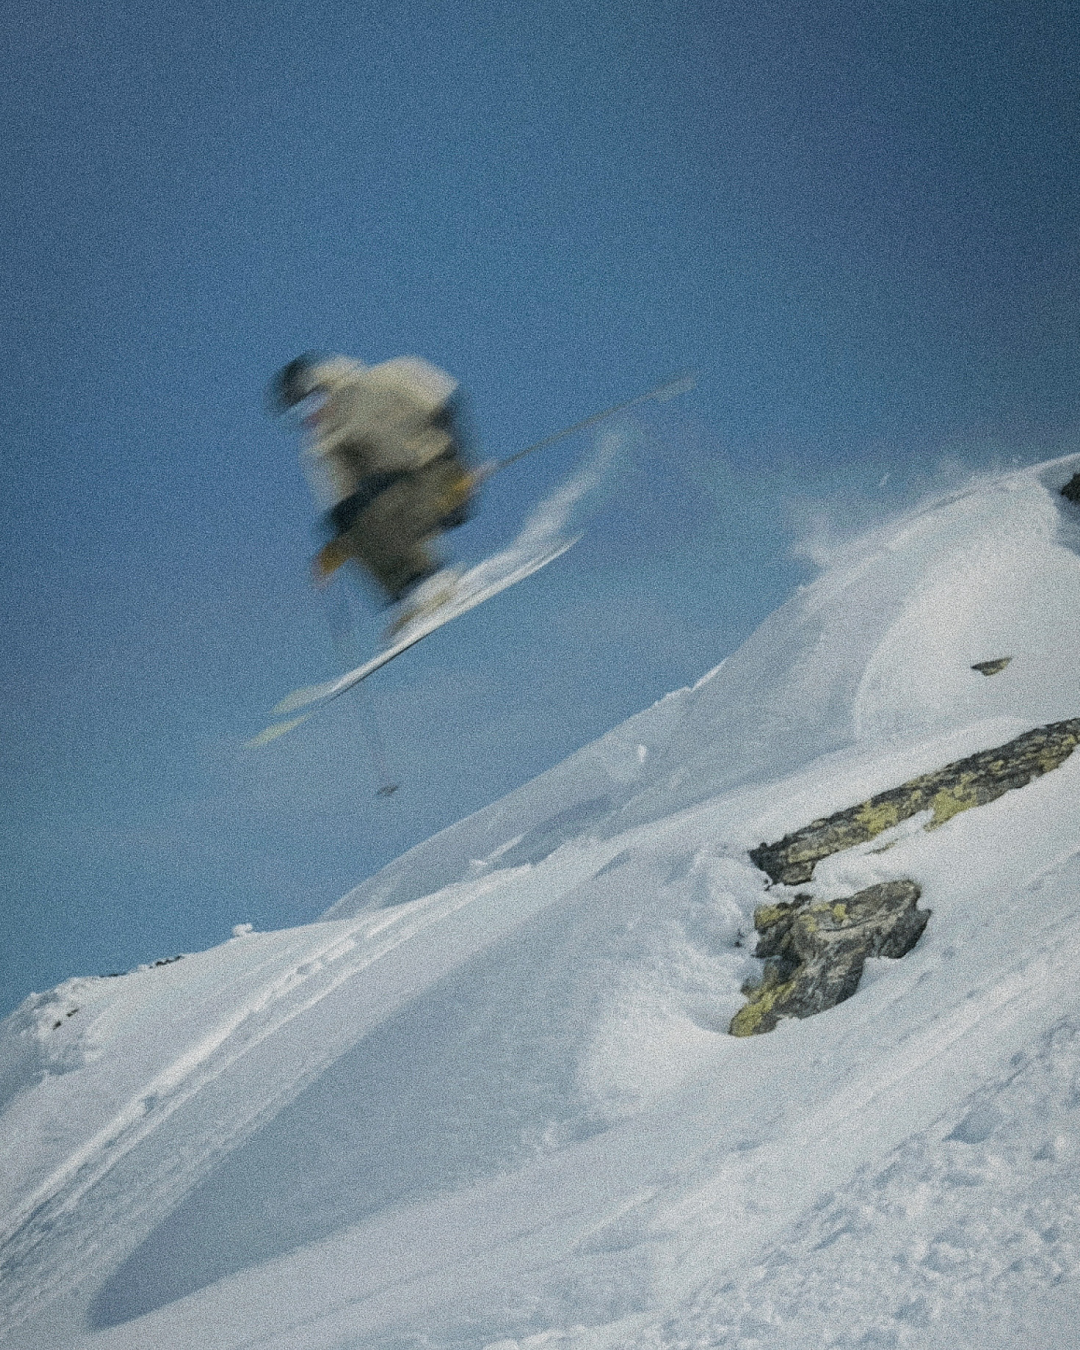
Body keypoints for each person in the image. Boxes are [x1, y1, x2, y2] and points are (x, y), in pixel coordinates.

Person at [269, 352, 475, 624]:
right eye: (297, 415)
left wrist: (462, 468)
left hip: (440, 476)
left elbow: (443, 405)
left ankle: (431, 580)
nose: (311, 417)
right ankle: (417, 586)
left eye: (310, 404)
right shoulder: (324, 447)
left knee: (370, 500)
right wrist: (335, 552)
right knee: (342, 515)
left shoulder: (379, 382)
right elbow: (348, 509)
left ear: (320, 386)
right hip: (405, 500)